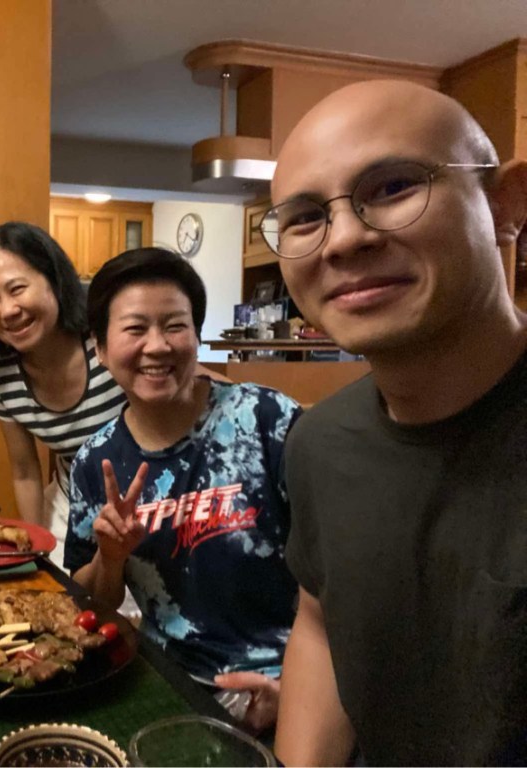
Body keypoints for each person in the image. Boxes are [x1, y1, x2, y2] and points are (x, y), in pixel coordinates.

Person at [266, 80, 527, 766]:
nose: (345, 239)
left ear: (506, 206)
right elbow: (320, 626)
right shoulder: (318, 444)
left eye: (391, 187)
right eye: (303, 217)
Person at [64, 247, 301, 731]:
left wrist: (300, 692)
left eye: (175, 325)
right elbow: (92, 605)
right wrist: (110, 557)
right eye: (135, 329)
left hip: (290, 685)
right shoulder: (97, 461)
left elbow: (343, 576)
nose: (157, 346)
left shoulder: (267, 420)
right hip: (171, 684)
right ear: (103, 350)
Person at [0, 222, 126, 565]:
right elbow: (24, 470)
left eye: (17, 289)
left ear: (53, 279)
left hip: (150, 489)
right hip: (73, 493)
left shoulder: (108, 340)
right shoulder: (3, 374)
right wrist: (32, 551)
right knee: (53, 586)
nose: (7, 310)